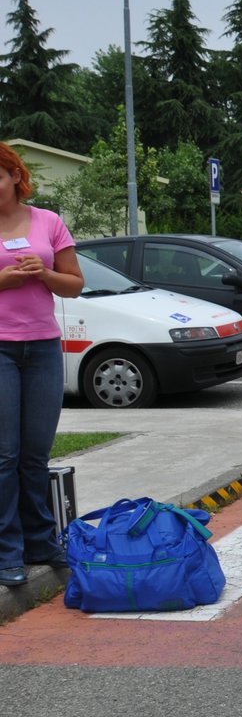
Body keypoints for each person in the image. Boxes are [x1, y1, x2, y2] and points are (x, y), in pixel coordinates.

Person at [0, 142, 84, 587]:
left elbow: (73, 285)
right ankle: (7, 549)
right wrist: (5, 279)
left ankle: (41, 540)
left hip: (43, 348)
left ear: (14, 176)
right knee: (4, 454)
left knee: (35, 454)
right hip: (0, 349)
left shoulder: (48, 221)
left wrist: (44, 275)